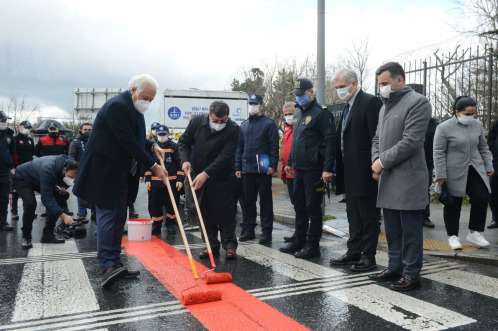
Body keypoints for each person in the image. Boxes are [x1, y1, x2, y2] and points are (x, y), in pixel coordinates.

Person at [73, 74, 169, 288]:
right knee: (108, 217)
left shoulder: (135, 109)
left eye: (152, 99)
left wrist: (152, 145)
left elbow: (136, 138)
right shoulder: (117, 106)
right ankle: (107, 267)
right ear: (134, 90)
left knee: (118, 217)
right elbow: (127, 141)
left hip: (120, 174)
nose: (148, 102)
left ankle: (115, 263)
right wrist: (154, 166)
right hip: (105, 172)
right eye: (146, 97)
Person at [369, 62, 431, 291]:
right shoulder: (383, 107)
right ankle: (394, 266)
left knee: (410, 230)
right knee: (392, 228)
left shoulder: (418, 102)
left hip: (408, 178)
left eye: (385, 83)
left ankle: (411, 273)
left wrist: (381, 162)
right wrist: (376, 162)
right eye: (380, 84)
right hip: (387, 175)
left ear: (399, 80)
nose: (382, 88)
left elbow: (411, 142)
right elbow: (377, 139)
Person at [330, 68, 382, 272]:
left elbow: (376, 138)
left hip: (366, 171)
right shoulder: (347, 106)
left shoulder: (370, 102)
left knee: (368, 217)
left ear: (354, 84)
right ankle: (353, 252)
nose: (339, 91)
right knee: (353, 214)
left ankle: (368, 257)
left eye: (342, 87)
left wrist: (375, 165)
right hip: (349, 171)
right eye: (336, 88)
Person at [281, 78, 335, 259]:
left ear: (311, 93)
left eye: (302, 94)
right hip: (299, 168)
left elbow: (329, 143)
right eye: (297, 95)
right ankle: (299, 240)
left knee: (313, 208)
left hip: (314, 169)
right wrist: (289, 162)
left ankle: (313, 246)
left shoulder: (321, 114)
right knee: (299, 206)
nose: (299, 98)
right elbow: (296, 141)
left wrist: (328, 168)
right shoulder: (297, 114)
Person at [178, 100, 239, 260]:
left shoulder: (233, 129)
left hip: (223, 177)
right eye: (216, 121)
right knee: (204, 213)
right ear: (209, 115)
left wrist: (206, 173)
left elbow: (226, 156)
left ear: (228, 117)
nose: (219, 124)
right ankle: (211, 246)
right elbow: (183, 142)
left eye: (223, 121)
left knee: (226, 213)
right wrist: (185, 160)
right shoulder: (197, 123)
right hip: (198, 175)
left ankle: (230, 245)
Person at [434, 96, 494, 250]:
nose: (471, 117)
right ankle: (453, 236)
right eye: (467, 114)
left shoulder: (477, 125)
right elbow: (438, 152)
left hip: (475, 168)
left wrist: (488, 166)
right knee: (453, 204)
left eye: (473, 113)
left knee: (481, 197)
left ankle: (474, 232)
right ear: (457, 112)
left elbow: (483, 147)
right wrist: (440, 174)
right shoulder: (444, 128)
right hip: (452, 171)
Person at [235, 93, 279, 244]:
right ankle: (249, 230)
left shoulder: (269, 124)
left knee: (265, 202)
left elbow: (274, 145)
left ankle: (266, 232)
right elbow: (239, 148)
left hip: (263, 168)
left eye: (255, 103)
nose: (253, 106)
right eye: (251, 103)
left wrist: (273, 165)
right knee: (248, 202)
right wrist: (238, 167)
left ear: (261, 105)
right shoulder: (244, 125)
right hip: (247, 168)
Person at [14, 155, 77, 248]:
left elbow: (65, 181)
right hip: (23, 179)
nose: (72, 180)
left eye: (74, 179)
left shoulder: (72, 166)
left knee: (59, 198)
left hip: (39, 178)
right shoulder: (48, 169)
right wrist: (63, 216)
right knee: (30, 203)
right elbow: (46, 199)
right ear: (64, 170)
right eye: (70, 177)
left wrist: (62, 188)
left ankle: (48, 234)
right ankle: (26, 237)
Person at [145, 124, 183, 235]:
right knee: (155, 204)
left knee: (172, 204)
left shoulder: (173, 146)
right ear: (156, 135)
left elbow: (179, 163)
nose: (162, 136)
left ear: (168, 134)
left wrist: (180, 179)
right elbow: (147, 163)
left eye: (164, 134)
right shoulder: (153, 147)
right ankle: (156, 225)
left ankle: (171, 224)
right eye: (160, 134)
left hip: (171, 182)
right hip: (156, 182)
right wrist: (148, 178)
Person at [35, 122, 72, 216]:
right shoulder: (42, 140)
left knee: (62, 187)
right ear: (48, 130)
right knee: (48, 188)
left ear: (58, 130)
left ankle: (65, 208)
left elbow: (68, 152)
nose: (53, 131)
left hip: (60, 166)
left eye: (54, 129)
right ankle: (49, 210)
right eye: (51, 129)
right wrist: (43, 158)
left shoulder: (64, 139)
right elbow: (35, 151)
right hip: (47, 167)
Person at [69, 122, 95, 221]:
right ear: (80, 130)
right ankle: (81, 212)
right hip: (80, 171)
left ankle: (94, 212)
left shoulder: (95, 141)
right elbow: (71, 158)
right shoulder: (75, 142)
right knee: (80, 192)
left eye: (89, 130)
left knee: (93, 192)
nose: (87, 131)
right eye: (85, 129)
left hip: (93, 171)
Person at [11, 120, 35, 221]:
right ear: (20, 127)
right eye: (25, 127)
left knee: (29, 189)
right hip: (17, 168)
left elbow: (32, 154)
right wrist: (12, 167)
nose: (27, 129)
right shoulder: (14, 139)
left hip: (28, 169)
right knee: (15, 191)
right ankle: (14, 211)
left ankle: (29, 212)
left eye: (29, 128)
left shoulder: (30, 140)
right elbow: (11, 154)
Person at [281, 101, 297, 242]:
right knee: (295, 203)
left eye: (291, 114)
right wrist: (283, 173)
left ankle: (303, 233)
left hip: (299, 171)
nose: (288, 117)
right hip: (289, 172)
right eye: (286, 115)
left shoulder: (299, 127)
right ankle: (298, 232)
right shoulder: (286, 129)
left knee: (301, 204)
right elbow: (285, 153)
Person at [421, 118, 439, 228]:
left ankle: (424, 216)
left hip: (427, 163)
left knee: (424, 190)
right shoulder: (410, 120)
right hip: (409, 162)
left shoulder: (434, 125)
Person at [0, 111, 15, 231]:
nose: (4, 123)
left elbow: (12, 152)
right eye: (2, 120)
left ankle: (3, 222)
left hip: (4, 171)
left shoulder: (9, 134)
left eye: (5, 121)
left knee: (4, 197)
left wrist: (10, 164)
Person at [487, 118, 498, 229]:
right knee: (493, 192)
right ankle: (496, 218)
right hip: (497, 163)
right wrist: (495, 148)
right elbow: (491, 136)